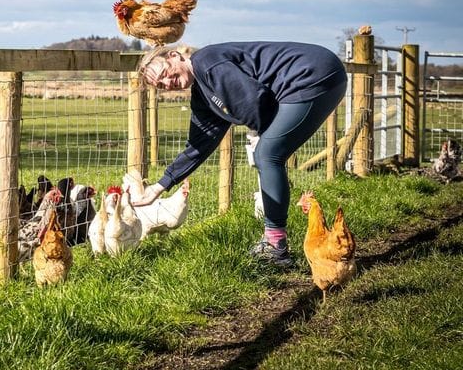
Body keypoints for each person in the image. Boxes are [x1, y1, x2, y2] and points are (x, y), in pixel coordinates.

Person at [132, 41, 347, 267]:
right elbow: (198, 145)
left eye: (165, 73)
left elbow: (253, 99)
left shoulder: (208, 63)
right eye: (161, 85)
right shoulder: (203, 93)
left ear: (174, 55)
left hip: (312, 73)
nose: (168, 83)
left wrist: (258, 133)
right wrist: (159, 187)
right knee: (268, 153)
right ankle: (276, 244)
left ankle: (275, 246)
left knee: (267, 154)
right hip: (310, 76)